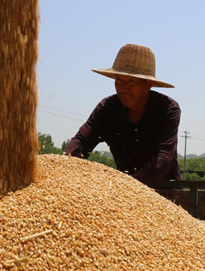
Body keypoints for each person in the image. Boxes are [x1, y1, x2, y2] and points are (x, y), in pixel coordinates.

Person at [65, 44, 181, 187]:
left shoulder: (167, 109)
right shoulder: (107, 108)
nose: (123, 88)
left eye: (131, 81)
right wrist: (67, 166)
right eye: (119, 80)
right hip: (121, 192)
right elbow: (81, 141)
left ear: (148, 84)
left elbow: (162, 161)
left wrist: (126, 187)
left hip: (164, 190)